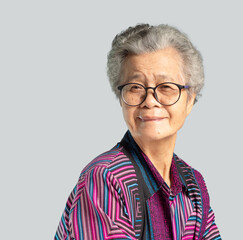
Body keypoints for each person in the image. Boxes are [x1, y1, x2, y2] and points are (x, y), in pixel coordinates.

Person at [55, 24, 221, 240]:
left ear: (189, 100)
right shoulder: (107, 179)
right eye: (135, 88)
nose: (150, 101)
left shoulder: (193, 184)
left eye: (166, 87)